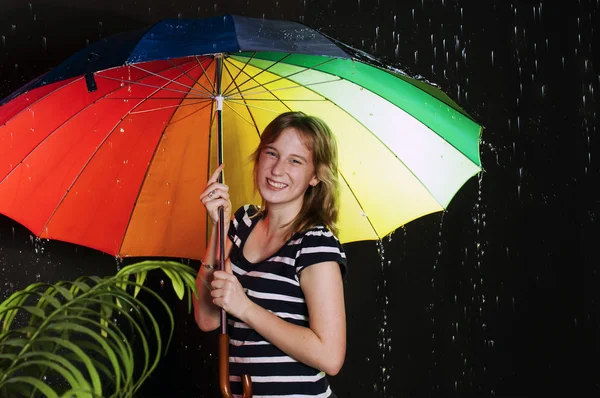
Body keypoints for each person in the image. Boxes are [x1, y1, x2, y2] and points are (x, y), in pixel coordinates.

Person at [193, 111, 347, 397]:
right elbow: (206, 318)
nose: (277, 170)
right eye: (272, 153)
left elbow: (330, 356)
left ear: (315, 176)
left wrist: (245, 308)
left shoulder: (315, 244)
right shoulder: (241, 224)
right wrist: (219, 228)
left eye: (295, 161)